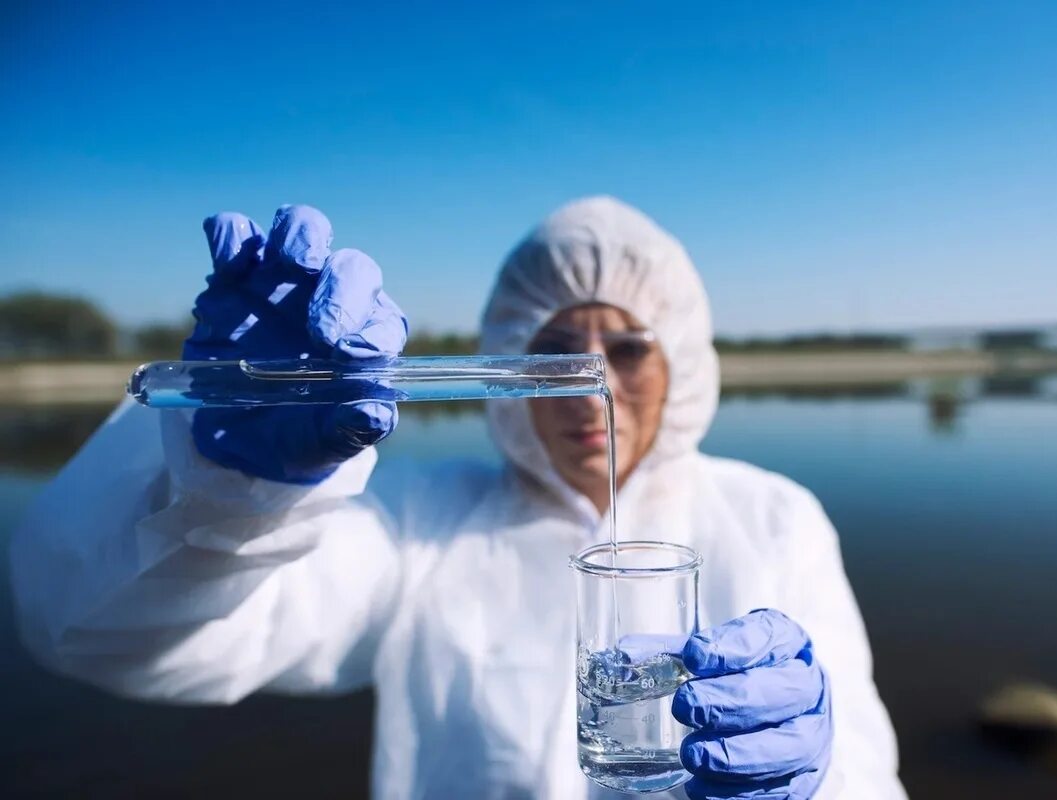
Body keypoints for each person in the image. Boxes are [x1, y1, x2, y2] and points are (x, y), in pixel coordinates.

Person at [10, 197, 905, 799]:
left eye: (628, 348)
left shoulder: (773, 519)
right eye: (554, 347)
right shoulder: (424, 525)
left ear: (682, 359)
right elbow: (101, 635)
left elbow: (867, 765)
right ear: (513, 364)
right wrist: (230, 490)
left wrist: (817, 783)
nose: (587, 385)